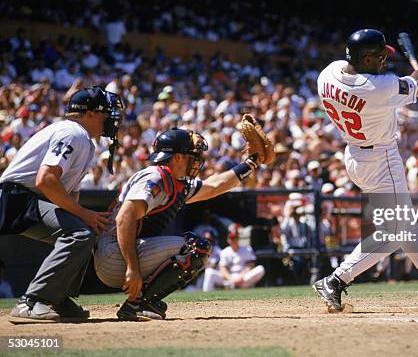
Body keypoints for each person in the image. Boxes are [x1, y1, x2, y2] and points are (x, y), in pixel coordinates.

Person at [313, 29, 418, 313]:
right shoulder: (380, 87)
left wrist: (416, 80)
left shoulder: (328, 72)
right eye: (380, 57)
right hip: (381, 159)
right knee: (396, 230)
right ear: (366, 59)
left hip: (354, 155)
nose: (385, 60)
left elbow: (403, 84)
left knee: (404, 225)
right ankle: (336, 280)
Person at [94, 127, 269, 320]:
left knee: (195, 247)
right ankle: (138, 303)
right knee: (196, 248)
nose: (197, 160)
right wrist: (132, 269)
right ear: (177, 157)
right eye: (192, 155)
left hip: (122, 251)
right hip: (114, 254)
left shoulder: (174, 180)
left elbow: (216, 185)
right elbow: (124, 219)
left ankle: (142, 301)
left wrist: (251, 163)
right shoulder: (155, 177)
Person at [0, 87, 123, 322]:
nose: (110, 118)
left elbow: (69, 193)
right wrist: (84, 215)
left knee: (86, 231)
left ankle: (57, 297)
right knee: (80, 232)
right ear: (89, 114)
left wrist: (84, 217)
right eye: (106, 112)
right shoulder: (72, 132)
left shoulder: (84, 140)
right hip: (15, 197)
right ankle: (33, 300)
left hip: (29, 197)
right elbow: (45, 179)